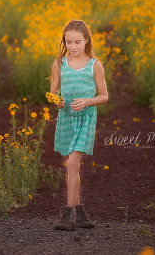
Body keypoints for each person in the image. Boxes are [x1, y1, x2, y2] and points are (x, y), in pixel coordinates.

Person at [50, 19, 109, 231]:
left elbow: (104, 96)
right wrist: (57, 101)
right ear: (64, 42)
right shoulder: (59, 64)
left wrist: (86, 101)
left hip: (86, 118)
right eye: (68, 42)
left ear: (86, 41)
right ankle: (80, 213)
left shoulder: (95, 65)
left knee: (72, 164)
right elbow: (52, 94)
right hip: (66, 118)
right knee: (71, 166)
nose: (73, 47)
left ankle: (69, 214)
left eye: (77, 42)